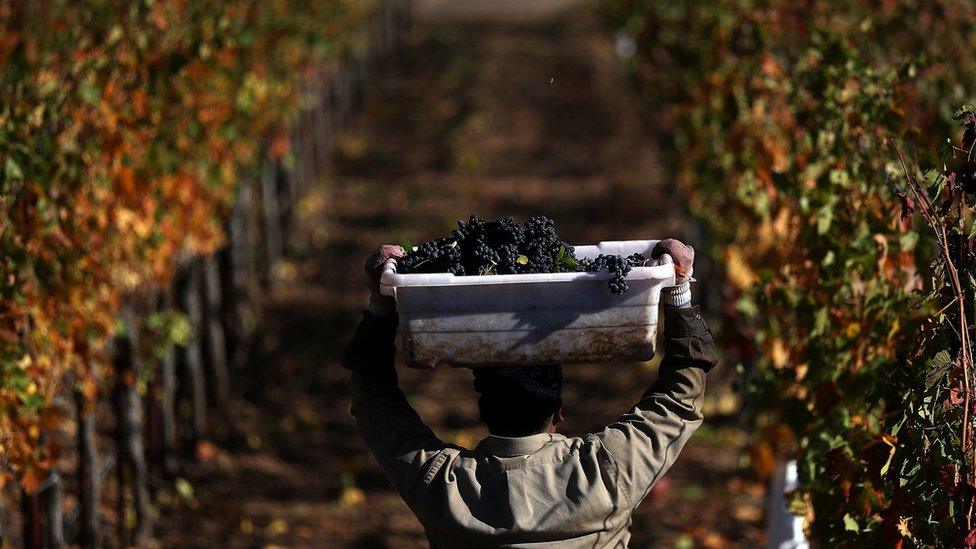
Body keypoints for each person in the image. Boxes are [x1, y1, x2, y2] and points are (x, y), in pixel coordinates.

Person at [344, 239, 718, 548]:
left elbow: (373, 397)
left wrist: (381, 304)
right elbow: (679, 398)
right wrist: (679, 291)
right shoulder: (607, 472)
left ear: (482, 411)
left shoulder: (441, 486)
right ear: (558, 412)